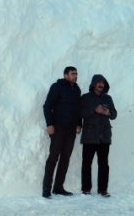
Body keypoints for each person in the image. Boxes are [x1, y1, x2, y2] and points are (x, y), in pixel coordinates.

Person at [42, 66, 82, 199]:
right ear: (66, 75)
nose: (75, 76)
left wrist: (78, 124)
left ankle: (58, 187)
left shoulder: (77, 89)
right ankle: (46, 189)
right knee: (53, 158)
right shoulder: (57, 87)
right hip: (58, 127)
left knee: (65, 158)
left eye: (76, 74)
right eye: (72, 74)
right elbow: (47, 106)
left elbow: (78, 109)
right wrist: (50, 124)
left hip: (71, 129)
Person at [80, 74, 117, 198]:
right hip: (89, 136)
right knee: (87, 164)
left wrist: (109, 112)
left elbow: (114, 114)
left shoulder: (108, 98)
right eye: (99, 83)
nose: (101, 85)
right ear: (93, 84)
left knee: (104, 164)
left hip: (104, 136)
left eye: (103, 83)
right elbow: (80, 113)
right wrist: (94, 111)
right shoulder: (85, 98)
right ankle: (86, 189)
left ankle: (103, 189)